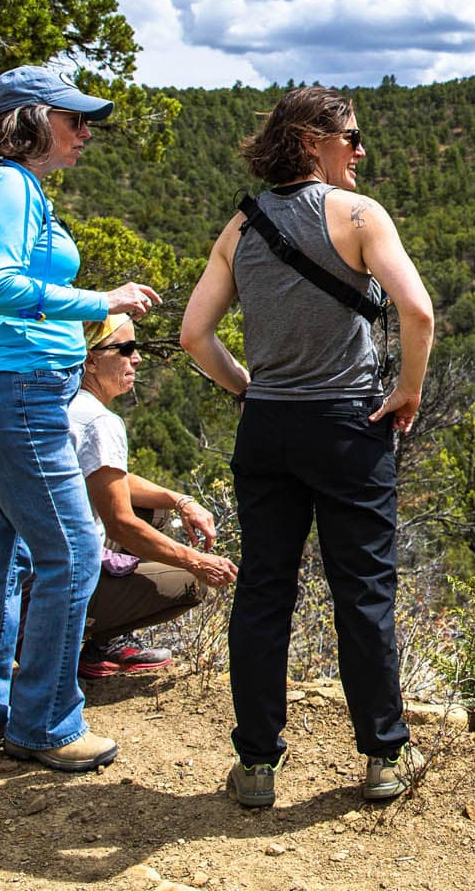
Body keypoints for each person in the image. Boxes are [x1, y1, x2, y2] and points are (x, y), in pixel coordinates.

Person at [180, 84, 434, 808]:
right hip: (348, 425)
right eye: (351, 138)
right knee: (362, 591)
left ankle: (257, 764)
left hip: (268, 429)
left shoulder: (241, 225)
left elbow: (195, 336)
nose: (360, 151)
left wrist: (246, 390)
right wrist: (408, 391)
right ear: (310, 143)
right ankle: (384, 755)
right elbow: (416, 310)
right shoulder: (359, 216)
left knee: (264, 591)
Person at [0, 65, 161, 774]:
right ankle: (46, 724)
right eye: (73, 119)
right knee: (71, 552)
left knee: (1, 555)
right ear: (31, 120)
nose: (85, 132)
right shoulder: (7, 184)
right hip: (17, 390)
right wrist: (103, 300)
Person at [72, 313, 238, 677]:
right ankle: (91, 638)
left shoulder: (64, 404)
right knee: (189, 584)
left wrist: (181, 499)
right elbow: (120, 524)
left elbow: (107, 478)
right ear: (91, 358)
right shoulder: (100, 423)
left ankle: (96, 638)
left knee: (156, 510)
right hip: (64, 584)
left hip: (35, 573)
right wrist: (195, 561)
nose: (138, 358)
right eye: (127, 348)